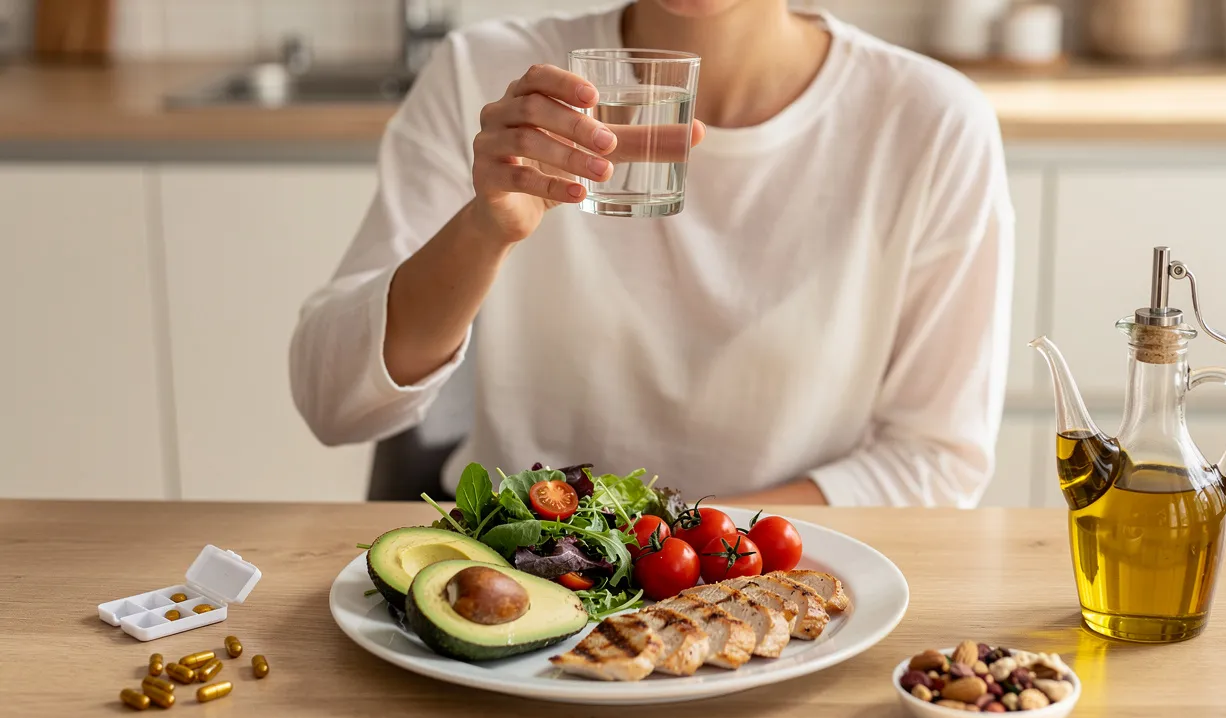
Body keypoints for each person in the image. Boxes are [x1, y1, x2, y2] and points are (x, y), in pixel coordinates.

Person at [289, 0, 1014, 508]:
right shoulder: (484, 73)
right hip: (523, 581)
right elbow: (334, 403)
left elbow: (935, 463)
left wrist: (672, 544)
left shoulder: (930, 121)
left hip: (784, 581)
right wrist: (484, 230)